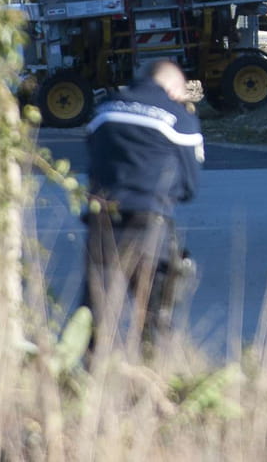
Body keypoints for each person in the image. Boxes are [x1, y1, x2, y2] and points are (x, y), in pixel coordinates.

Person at [84, 59, 204, 348]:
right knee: (154, 320)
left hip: (101, 223)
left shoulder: (104, 110)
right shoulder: (178, 117)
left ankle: (88, 380)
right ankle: (150, 381)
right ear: (175, 88)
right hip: (149, 225)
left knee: (94, 320)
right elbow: (190, 186)